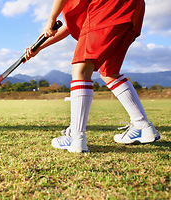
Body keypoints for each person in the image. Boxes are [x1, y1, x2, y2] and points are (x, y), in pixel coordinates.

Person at [25, 0, 160, 153]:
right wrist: (39, 47)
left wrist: (51, 19)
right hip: (132, 8)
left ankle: (76, 137)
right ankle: (142, 126)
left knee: (80, 69)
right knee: (109, 72)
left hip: (109, 5)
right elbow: (70, 26)